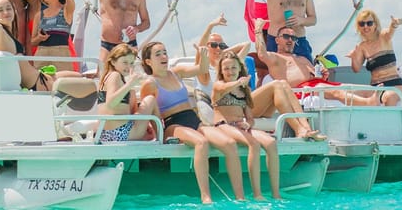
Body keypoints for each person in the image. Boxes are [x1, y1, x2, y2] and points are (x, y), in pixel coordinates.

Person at [138, 41, 244, 204]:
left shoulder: (176, 72)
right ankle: (206, 196)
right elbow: (151, 110)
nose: (163, 56)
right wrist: (158, 134)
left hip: (193, 119)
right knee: (201, 142)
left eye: (164, 52)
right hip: (173, 124)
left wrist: (202, 55)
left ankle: (240, 197)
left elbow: (201, 69)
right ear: (148, 61)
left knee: (229, 143)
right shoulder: (150, 83)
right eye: (158, 54)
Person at [198, 14, 323, 139]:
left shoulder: (229, 65)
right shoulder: (204, 71)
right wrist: (211, 26)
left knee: (283, 83)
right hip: (233, 112)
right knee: (277, 84)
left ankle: (306, 128)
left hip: (244, 107)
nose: (218, 48)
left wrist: (223, 53)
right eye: (214, 45)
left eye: (222, 46)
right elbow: (200, 50)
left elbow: (246, 44)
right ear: (206, 48)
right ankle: (299, 130)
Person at [253, 18, 379, 106]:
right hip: (302, 91)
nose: (290, 40)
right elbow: (261, 53)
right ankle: (368, 103)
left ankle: (382, 102)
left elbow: (316, 75)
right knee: (333, 91)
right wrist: (258, 30)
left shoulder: (302, 59)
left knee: (363, 89)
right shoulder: (275, 58)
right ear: (277, 40)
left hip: (317, 85)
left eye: (293, 37)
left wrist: (323, 74)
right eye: (286, 36)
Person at [212, 50, 281, 201]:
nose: (230, 71)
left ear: (239, 69)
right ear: (221, 71)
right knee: (254, 144)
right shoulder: (218, 85)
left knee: (270, 143)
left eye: (234, 68)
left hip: (239, 125)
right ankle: (257, 194)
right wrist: (239, 82)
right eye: (226, 68)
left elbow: (250, 118)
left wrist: (246, 123)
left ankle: (276, 194)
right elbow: (224, 89)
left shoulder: (244, 91)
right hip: (223, 125)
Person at [96, 44, 159, 142]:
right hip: (120, 133)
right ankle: (162, 138)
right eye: (125, 62)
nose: (129, 67)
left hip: (106, 134)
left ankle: (154, 134)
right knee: (150, 99)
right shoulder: (115, 75)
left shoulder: (107, 77)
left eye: (131, 63)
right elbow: (110, 103)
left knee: (133, 93)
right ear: (113, 62)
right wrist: (129, 84)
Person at [348, 9, 402, 106]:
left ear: (375, 24)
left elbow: (390, 31)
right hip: (376, 86)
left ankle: (390, 121)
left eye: (369, 23)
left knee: (389, 96)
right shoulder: (362, 47)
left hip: (395, 84)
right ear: (358, 27)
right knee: (350, 95)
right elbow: (356, 69)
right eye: (362, 24)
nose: (365, 26)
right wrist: (353, 57)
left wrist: (394, 24)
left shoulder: (383, 36)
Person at [31, 0, 76, 71]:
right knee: (40, 83)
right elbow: (32, 42)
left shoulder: (65, 10)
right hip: (41, 55)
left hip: (61, 55)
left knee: (62, 84)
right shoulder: (39, 15)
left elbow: (71, 3)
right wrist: (39, 38)